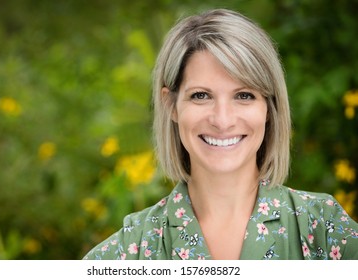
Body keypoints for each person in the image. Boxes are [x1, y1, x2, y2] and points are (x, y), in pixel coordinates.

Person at [83, 9, 358, 260]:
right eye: (201, 96)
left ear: (268, 108)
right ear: (171, 105)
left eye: (244, 95)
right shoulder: (130, 252)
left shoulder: (323, 228)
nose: (223, 120)